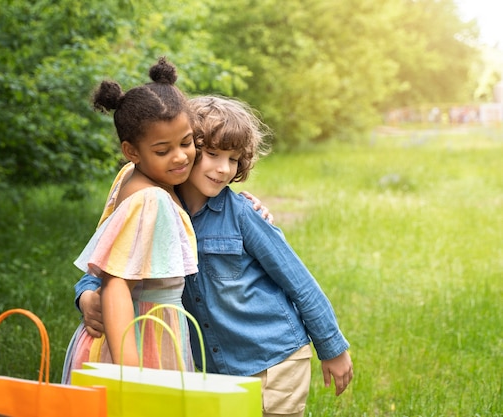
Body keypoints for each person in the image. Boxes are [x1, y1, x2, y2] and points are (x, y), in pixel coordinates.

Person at [74, 96, 353, 417]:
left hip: (272, 360)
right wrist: (85, 295)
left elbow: (299, 283)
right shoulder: (156, 206)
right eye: (213, 155)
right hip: (209, 369)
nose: (223, 169)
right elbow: (109, 259)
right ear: (190, 148)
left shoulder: (243, 215)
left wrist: (332, 348)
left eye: (234, 159)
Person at [61, 57, 199, 385]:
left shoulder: (130, 177)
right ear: (131, 151)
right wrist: (131, 375)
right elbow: (116, 285)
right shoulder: (150, 200)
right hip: (139, 340)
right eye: (163, 151)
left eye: (186, 142)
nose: (180, 156)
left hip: (138, 332)